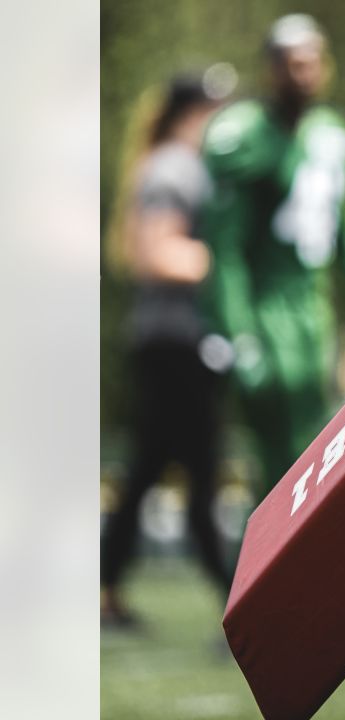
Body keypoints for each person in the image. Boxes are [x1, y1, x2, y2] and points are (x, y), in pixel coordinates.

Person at [201, 14, 345, 495]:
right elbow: (226, 249)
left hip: (314, 307)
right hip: (266, 304)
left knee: (317, 444)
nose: (305, 74)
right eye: (293, 64)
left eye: (313, 62)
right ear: (271, 69)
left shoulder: (331, 131)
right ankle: (263, 565)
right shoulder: (245, 134)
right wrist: (237, 330)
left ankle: (312, 564)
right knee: (276, 458)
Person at [101, 66, 238, 627]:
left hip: (177, 341)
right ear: (194, 112)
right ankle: (233, 595)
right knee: (202, 467)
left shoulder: (184, 165)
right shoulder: (172, 168)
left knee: (149, 468)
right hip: (174, 343)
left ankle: (104, 587)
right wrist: (234, 267)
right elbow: (156, 253)